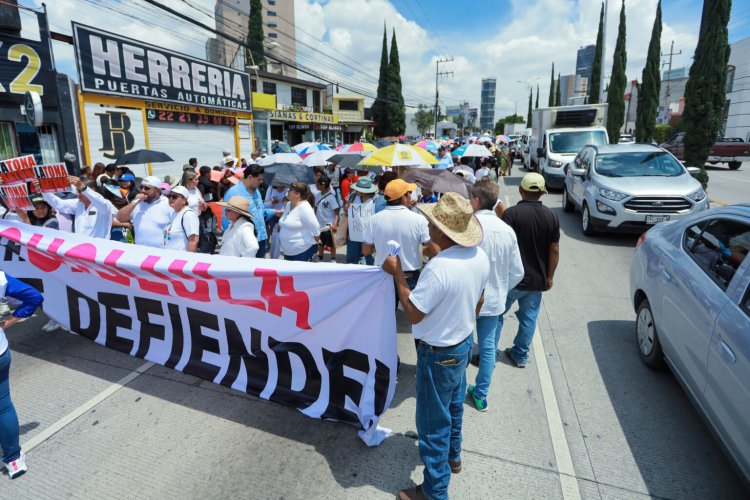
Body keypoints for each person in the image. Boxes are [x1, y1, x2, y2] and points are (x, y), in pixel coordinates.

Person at [381, 193, 489, 500]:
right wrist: (461, 319)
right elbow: (479, 299)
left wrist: (398, 273)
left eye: (432, 220)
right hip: (462, 342)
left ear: (442, 230)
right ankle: (453, 456)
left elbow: (413, 312)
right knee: (454, 407)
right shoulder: (478, 256)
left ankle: (434, 491)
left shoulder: (440, 269)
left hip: (438, 351)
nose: (427, 222)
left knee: (432, 425)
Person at [466, 179, 524, 411]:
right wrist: (501, 288)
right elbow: (518, 272)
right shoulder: (507, 230)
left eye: (471, 198)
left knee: (464, 345)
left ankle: (459, 389)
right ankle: (481, 394)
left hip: (468, 299)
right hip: (494, 301)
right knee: (488, 348)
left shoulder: (469, 225)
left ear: (477, 200)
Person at [499, 173, 560, 368]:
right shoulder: (551, 216)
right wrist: (549, 277)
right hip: (536, 281)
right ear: (543, 192)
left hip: (511, 280)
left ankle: (488, 353)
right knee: (529, 319)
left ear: (520, 190)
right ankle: (520, 355)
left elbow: (503, 247)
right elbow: (554, 250)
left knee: (496, 316)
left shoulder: (511, 214)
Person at [0, 271, 44, 479]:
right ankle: (13, 460)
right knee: (3, 406)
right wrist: (9, 321)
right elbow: (34, 297)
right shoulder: (1, 278)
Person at [363, 179, 437, 298]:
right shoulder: (418, 219)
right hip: (409, 277)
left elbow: (366, 251)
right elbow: (434, 250)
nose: (411, 196)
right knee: (411, 313)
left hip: (383, 275)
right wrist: (418, 251)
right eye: (409, 193)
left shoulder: (374, 219)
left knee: (386, 314)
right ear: (404, 198)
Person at [36, 176, 119, 240]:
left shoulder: (105, 205)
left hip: (98, 253)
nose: (77, 194)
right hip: (80, 252)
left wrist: (84, 188)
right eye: (76, 191)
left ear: (92, 190)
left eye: (79, 191)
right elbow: (59, 205)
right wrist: (43, 190)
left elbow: (100, 201)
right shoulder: (78, 204)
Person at [221, 165, 278, 257]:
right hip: (244, 242)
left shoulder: (257, 191)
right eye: (259, 179)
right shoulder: (233, 192)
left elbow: (261, 212)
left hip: (261, 238)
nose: (261, 182)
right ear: (250, 177)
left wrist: (274, 212)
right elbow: (227, 219)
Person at [116, 176, 173, 248]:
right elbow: (120, 218)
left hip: (161, 252)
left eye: (147, 188)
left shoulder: (168, 204)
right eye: (141, 187)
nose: (142, 191)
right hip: (141, 252)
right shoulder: (137, 203)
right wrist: (134, 202)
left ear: (158, 191)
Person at [278, 182, 320, 261]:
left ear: (297, 194)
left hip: (301, 252)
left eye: (290, 189)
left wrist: (316, 239)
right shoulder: (289, 204)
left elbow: (316, 228)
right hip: (287, 252)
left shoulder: (305, 208)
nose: (288, 191)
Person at [346, 177, 376, 265]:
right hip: (353, 236)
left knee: (368, 260)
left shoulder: (375, 200)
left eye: (359, 189)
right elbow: (347, 212)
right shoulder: (353, 196)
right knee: (351, 261)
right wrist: (346, 209)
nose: (356, 191)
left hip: (369, 237)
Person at [162, 186, 199, 252]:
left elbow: (193, 241)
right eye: (169, 196)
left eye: (174, 197)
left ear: (184, 200)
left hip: (180, 259)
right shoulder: (174, 213)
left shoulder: (188, 215)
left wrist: (188, 260)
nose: (170, 199)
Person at [314, 175, 340, 262]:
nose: (316, 185)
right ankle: (320, 256)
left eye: (318, 184)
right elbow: (316, 208)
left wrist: (335, 224)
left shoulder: (331, 197)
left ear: (323, 185)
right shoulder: (317, 195)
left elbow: (336, 212)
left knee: (332, 243)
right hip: (319, 224)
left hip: (329, 224)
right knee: (320, 241)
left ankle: (333, 258)